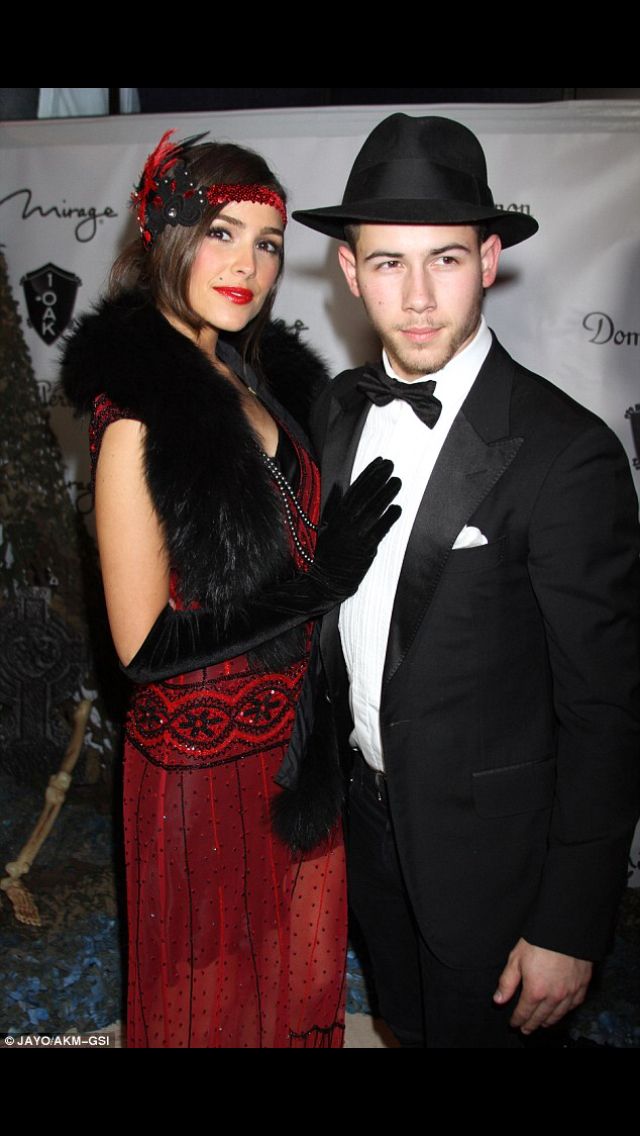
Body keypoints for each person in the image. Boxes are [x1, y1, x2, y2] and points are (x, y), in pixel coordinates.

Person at [292, 113, 640, 1048]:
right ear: (349, 269)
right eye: (387, 262)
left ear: (489, 259)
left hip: (497, 869)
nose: (415, 296)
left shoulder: (569, 454)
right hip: (366, 835)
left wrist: (570, 923)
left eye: (443, 260)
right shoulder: (333, 407)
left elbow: (607, 710)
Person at [61, 130, 400, 1048]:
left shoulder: (248, 373)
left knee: (295, 983)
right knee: (214, 1003)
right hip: (202, 770)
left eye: (268, 241)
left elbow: (281, 533)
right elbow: (141, 648)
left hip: (294, 747)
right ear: (164, 235)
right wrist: (316, 582)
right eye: (220, 232)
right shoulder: (138, 418)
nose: (247, 263)